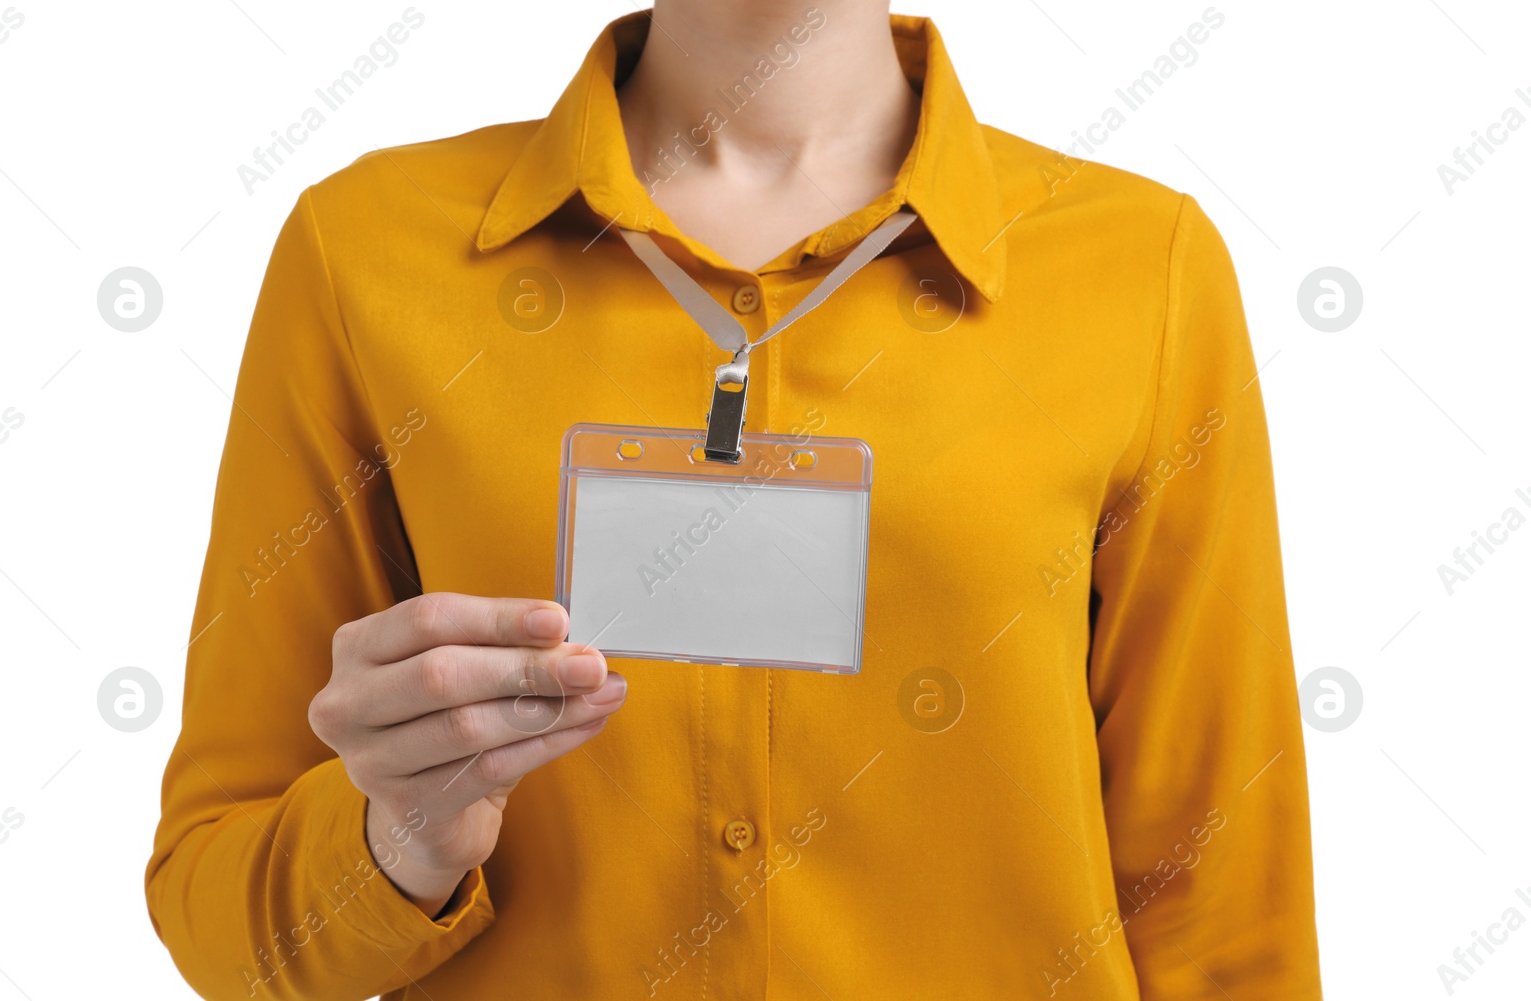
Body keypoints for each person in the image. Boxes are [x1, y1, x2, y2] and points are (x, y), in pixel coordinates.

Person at [146, 2, 1323, 999]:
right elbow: (216, 909)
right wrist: (391, 841)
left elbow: (1222, 896)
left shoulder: (1145, 269)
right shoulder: (362, 252)